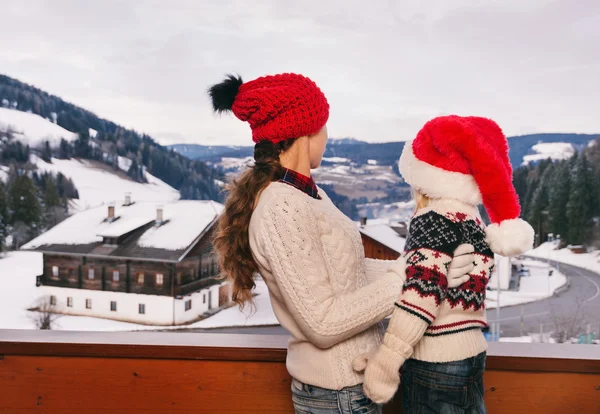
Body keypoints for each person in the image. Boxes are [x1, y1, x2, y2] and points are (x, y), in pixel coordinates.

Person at [209, 74, 476, 414]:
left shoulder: (309, 194)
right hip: (336, 397)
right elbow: (323, 324)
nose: (327, 135)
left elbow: (345, 271)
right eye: (324, 125)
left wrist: (421, 268)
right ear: (307, 130)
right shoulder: (281, 206)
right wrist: (415, 280)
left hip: (349, 390)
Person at [354, 115, 535, 413]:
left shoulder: (433, 219)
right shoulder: (473, 220)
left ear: (425, 177)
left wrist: (386, 361)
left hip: (435, 362)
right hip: (472, 355)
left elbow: (420, 297)